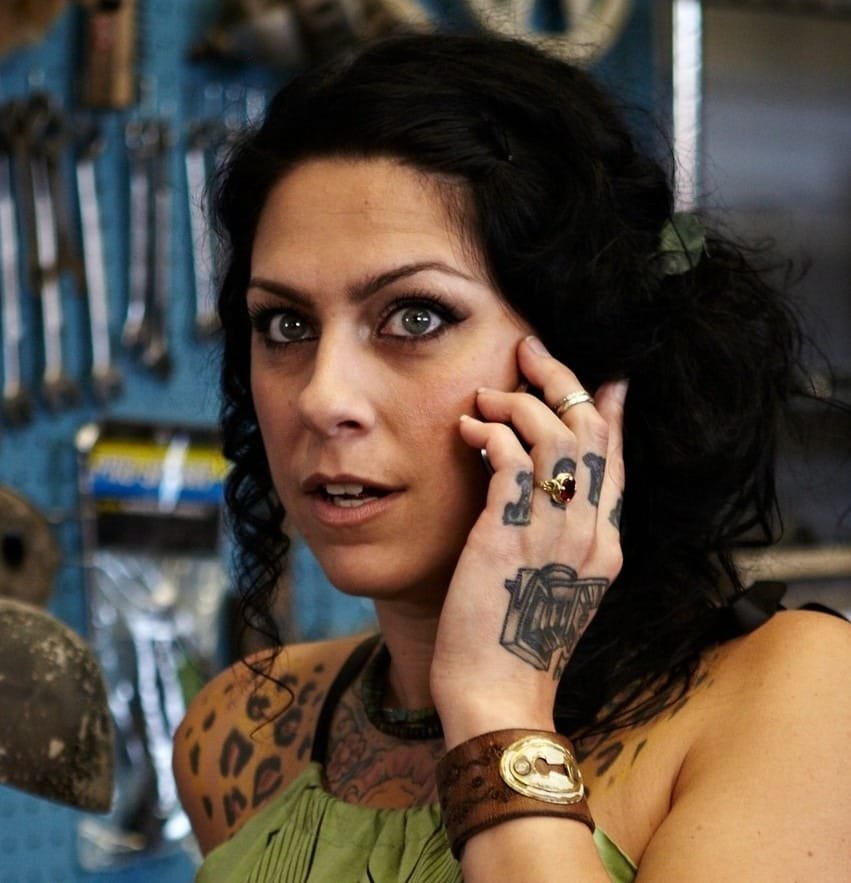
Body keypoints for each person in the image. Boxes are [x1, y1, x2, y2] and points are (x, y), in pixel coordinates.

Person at [173, 31, 851, 882]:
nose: (320, 396)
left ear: (579, 360)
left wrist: (498, 703)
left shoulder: (795, 698)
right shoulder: (245, 730)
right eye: (286, 324)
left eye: (414, 316)